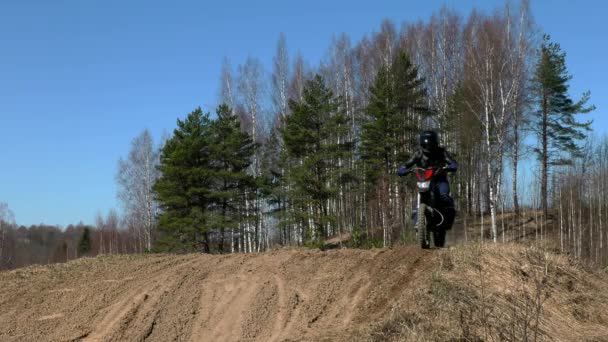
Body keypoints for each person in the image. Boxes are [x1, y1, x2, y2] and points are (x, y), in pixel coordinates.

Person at [397, 130, 458, 228]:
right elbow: (406, 164)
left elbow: (452, 162)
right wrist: (402, 170)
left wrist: (451, 166)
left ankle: (448, 220)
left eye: (430, 144)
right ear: (422, 143)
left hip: (440, 180)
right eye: (425, 144)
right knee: (416, 201)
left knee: (444, 196)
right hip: (423, 180)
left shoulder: (441, 152)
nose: (428, 146)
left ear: (435, 143)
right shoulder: (418, 154)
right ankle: (418, 222)